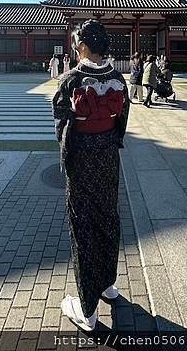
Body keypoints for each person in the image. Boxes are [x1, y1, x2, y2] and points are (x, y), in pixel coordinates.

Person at [52, 20, 129, 331]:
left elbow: (62, 122)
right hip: (108, 156)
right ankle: (109, 284)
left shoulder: (71, 79)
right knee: (109, 216)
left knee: (82, 225)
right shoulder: (117, 78)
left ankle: (87, 311)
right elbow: (121, 119)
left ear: (82, 45)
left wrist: (69, 150)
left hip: (82, 160)